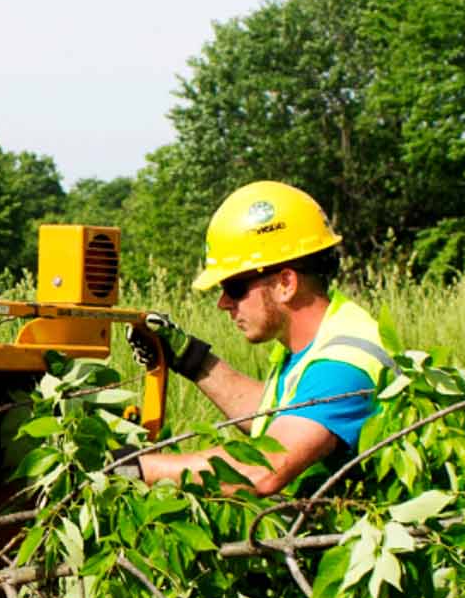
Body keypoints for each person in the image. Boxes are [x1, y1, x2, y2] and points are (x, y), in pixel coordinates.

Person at [129, 180, 393, 495]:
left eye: (234, 288)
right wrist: (190, 358)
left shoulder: (343, 363)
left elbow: (261, 469)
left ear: (285, 283)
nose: (223, 303)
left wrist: (131, 468)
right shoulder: (319, 340)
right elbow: (284, 419)